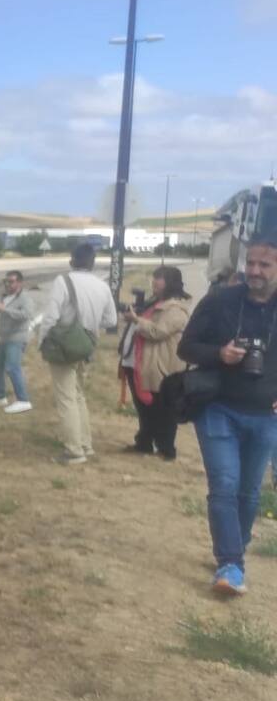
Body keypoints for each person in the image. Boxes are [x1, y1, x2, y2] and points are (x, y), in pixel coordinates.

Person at [178, 236, 277, 596]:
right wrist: (220, 353)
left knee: (249, 494)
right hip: (218, 409)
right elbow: (185, 346)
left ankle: (236, 546)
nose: (255, 271)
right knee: (224, 484)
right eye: (250, 263)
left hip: (266, 416)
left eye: (264, 265)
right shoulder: (220, 301)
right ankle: (230, 564)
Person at [37, 243, 117, 465]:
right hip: (87, 345)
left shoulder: (63, 282)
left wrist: (41, 341)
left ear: (72, 260)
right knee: (79, 394)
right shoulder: (102, 286)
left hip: (64, 347)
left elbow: (51, 316)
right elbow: (111, 320)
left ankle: (74, 450)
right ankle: (85, 443)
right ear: (92, 263)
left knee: (66, 398)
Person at [120, 266, 192, 460]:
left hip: (159, 367)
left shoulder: (176, 308)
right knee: (144, 409)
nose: (154, 282)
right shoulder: (155, 303)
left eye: (159, 278)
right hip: (137, 363)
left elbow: (157, 332)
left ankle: (166, 449)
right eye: (154, 278)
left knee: (163, 410)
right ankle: (143, 443)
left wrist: (136, 320)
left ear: (170, 282)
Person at [0, 270, 35, 414]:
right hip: (4, 338)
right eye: (6, 281)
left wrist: (4, 309)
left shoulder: (25, 298)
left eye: (11, 281)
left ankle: (23, 400)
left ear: (19, 283)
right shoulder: (4, 297)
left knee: (12, 367)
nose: (8, 284)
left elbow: (27, 315)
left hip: (16, 339)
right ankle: (0, 397)